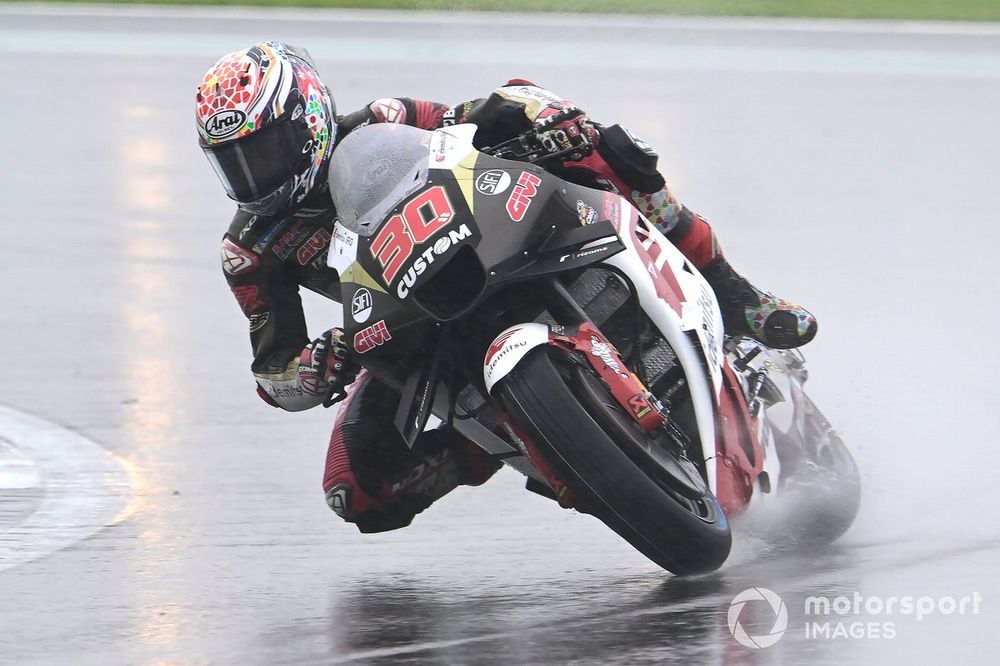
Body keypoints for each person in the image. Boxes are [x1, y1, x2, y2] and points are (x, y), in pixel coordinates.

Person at [198, 42, 817, 533]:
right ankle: (501, 444)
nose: (255, 173)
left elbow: (476, 116)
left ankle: (736, 295)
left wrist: (543, 119)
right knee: (352, 492)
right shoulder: (248, 251)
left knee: (609, 149)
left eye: (266, 148)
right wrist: (314, 368)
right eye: (235, 162)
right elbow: (271, 369)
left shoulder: (383, 121)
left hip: (490, 244)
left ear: (307, 117)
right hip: (405, 330)